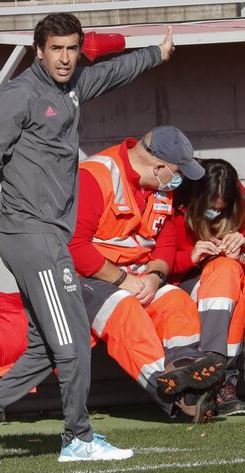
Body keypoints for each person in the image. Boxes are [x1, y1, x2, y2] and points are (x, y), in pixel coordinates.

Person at [0, 12, 176, 467]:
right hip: (32, 235)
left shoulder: (70, 87)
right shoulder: (19, 96)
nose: (66, 58)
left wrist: (157, 54)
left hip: (47, 237)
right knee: (71, 341)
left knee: (48, 346)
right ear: (39, 51)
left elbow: (109, 73)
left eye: (72, 48)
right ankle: (78, 437)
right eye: (57, 49)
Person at [68, 126, 226, 424]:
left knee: (175, 301)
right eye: (177, 172)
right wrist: (123, 281)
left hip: (140, 275)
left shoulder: (161, 186)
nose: (179, 181)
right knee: (125, 311)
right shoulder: (94, 176)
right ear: (158, 167)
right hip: (87, 279)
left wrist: (155, 276)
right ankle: (172, 394)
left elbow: (164, 243)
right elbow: (75, 247)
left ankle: (188, 372)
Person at [172, 158, 245, 416]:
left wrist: (242, 245)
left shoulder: (240, 200)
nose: (215, 213)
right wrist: (189, 257)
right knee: (225, 273)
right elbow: (155, 262)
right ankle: (220, 377)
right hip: (182, 282)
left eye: (222, 210)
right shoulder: (172, 203)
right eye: (210, 208)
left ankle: (217, 376)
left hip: (225, 283)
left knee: (228, 271)